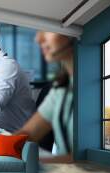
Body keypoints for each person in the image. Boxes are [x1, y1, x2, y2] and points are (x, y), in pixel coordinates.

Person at [14, 31, 74, 162]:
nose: (38, 38)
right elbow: (28, 134)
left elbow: (89, 161)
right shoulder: (60, 89)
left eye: (47, 29)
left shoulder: (94, 89)